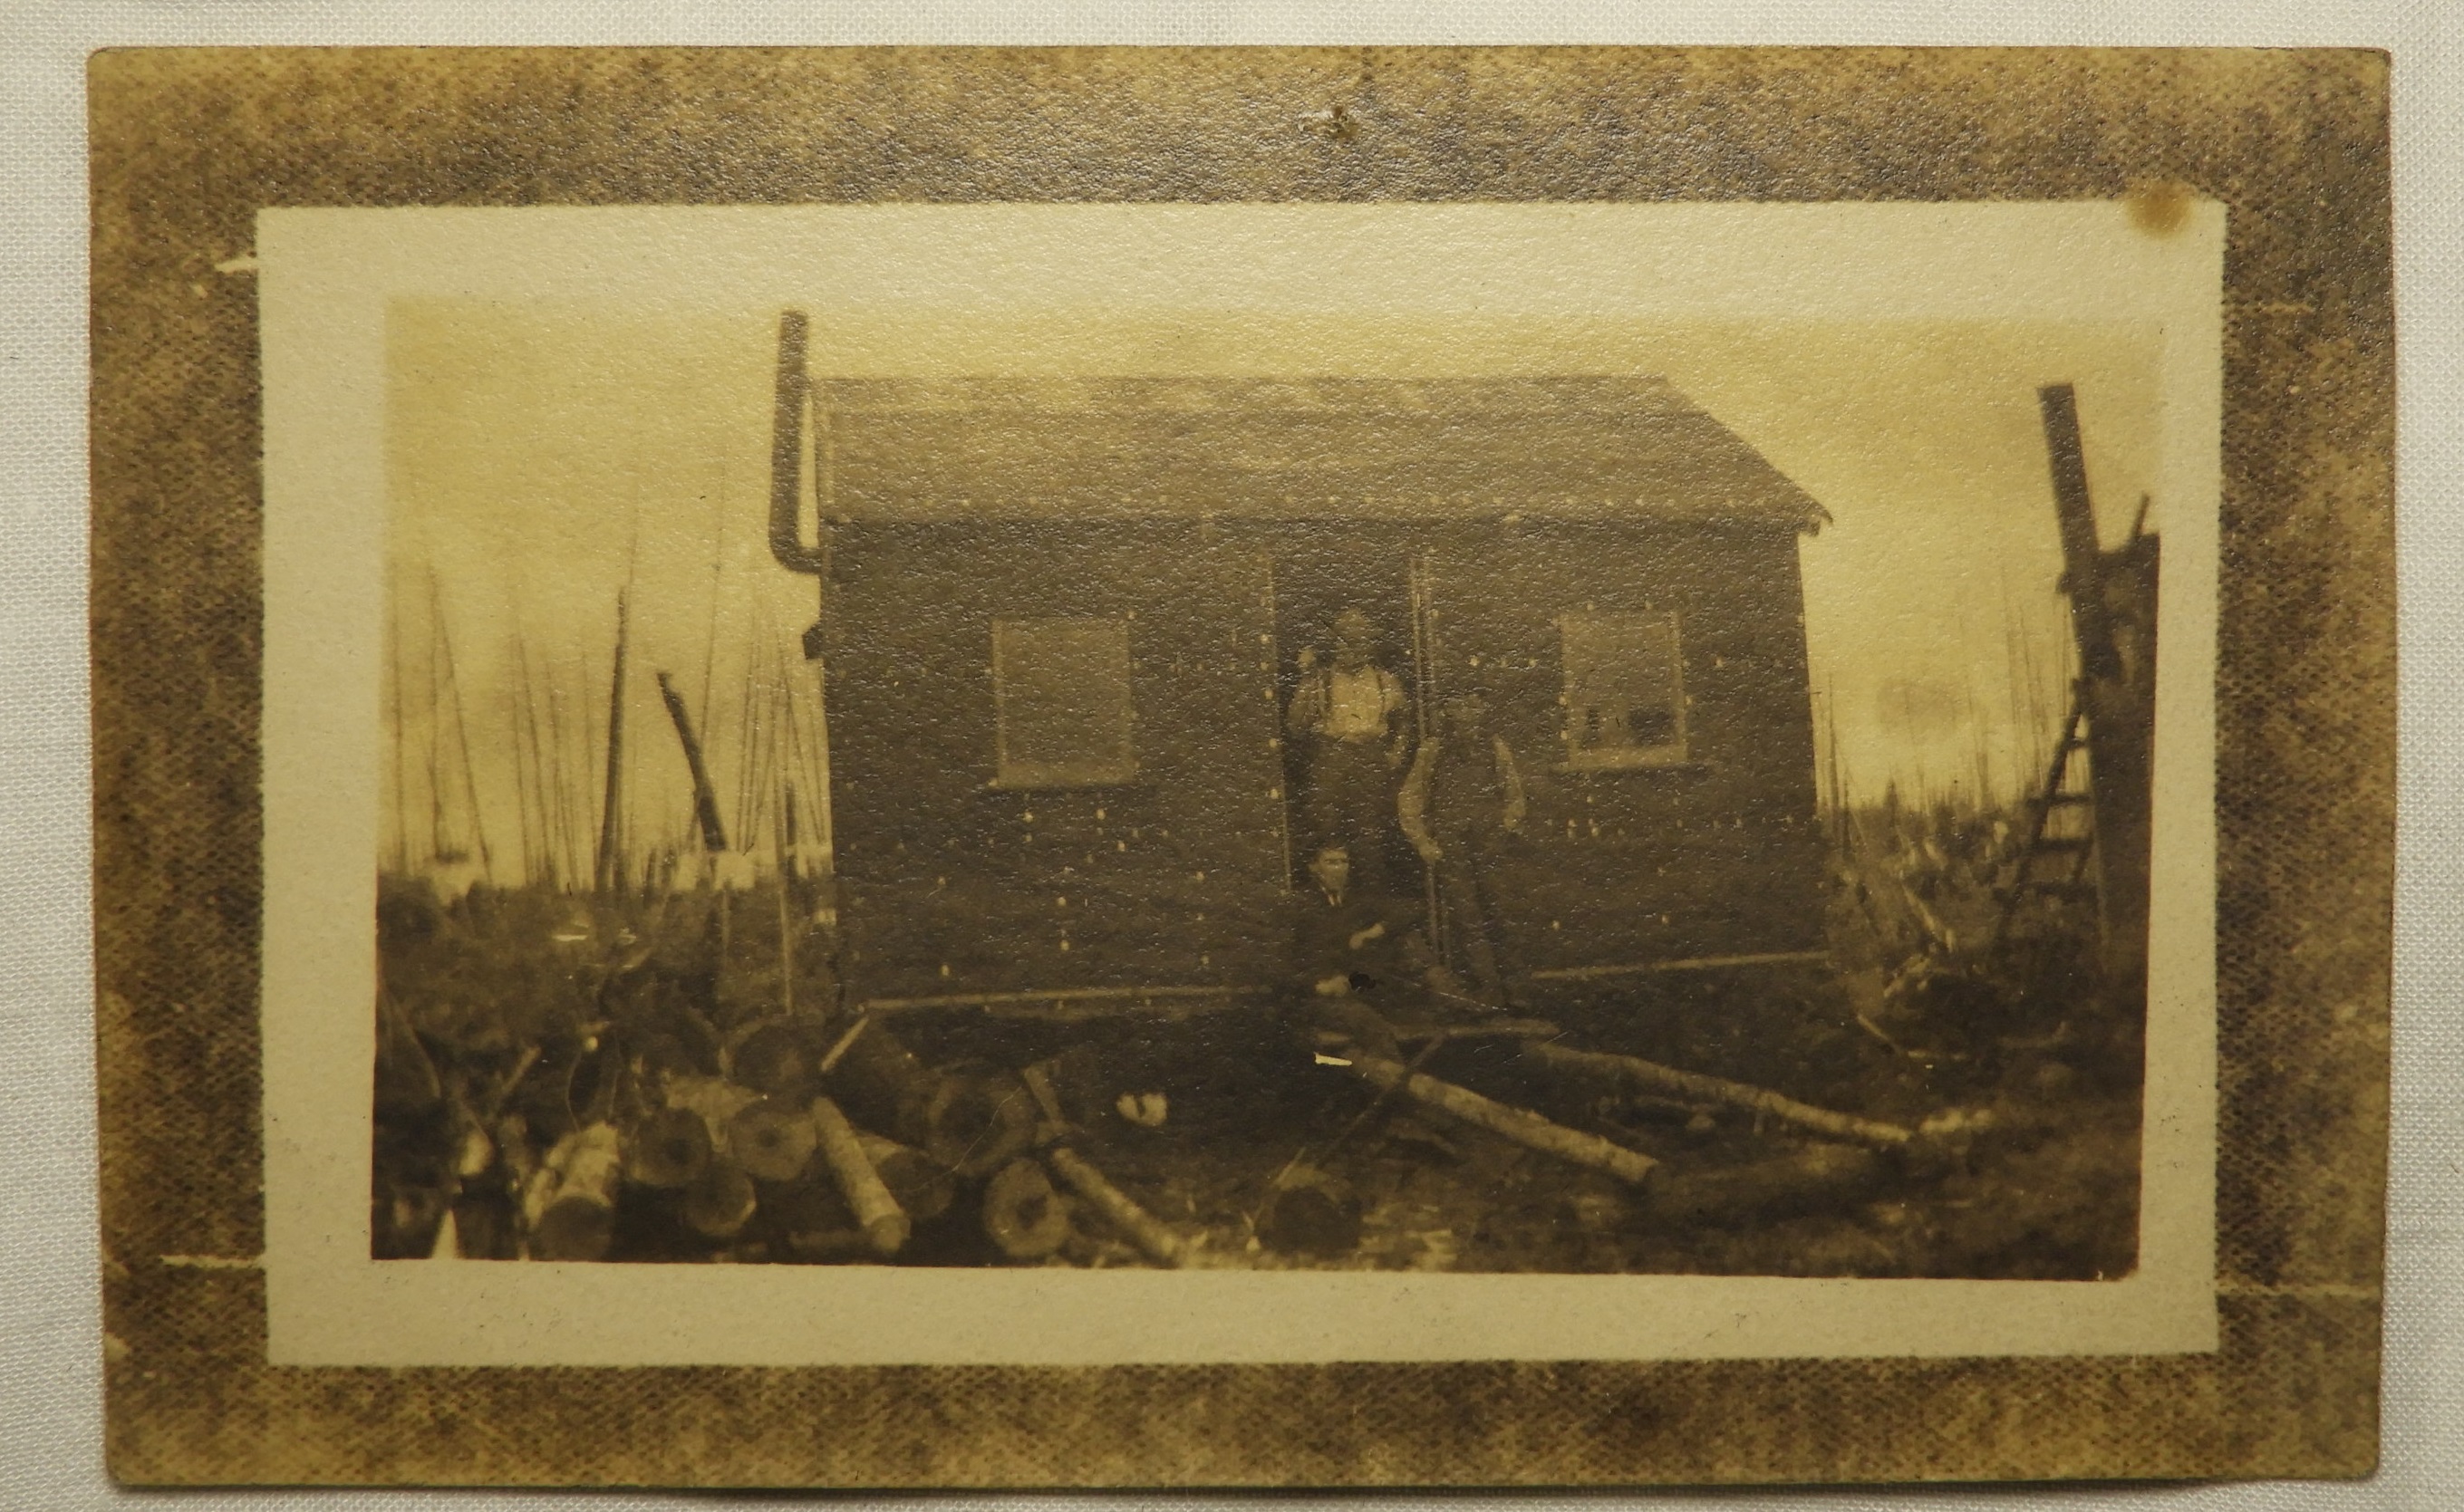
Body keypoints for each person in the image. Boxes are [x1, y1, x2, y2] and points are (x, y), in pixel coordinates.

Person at [1398, 689, 1527, 1007]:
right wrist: (1423, 842)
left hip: (1488, 843)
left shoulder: (1495, 748)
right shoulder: (1433, 751)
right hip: (1451, 845)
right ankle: (1489, 990)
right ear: (1449, 715)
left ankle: (1516, 990)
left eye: (1473, 709)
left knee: (1500, 914)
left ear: (1481, 714)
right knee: (1467, 919)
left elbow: (1514, 794)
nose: (1467, 717)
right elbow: (1411, 797)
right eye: (1458, 709)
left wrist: (1506, 825)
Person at [1286, 606, 1412, 891]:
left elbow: (1405, 718)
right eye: (1342, 640)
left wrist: (1397, 752)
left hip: (1371, 760)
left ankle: (1368, 907)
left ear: (1368, 645)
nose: (1348, 647)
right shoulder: (1320, 679)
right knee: (1325, 828)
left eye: (1356, 640)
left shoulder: (1385, 680)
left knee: (1370, 837)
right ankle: (1327, 908)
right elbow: (1294, 725)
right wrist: (1305, 679)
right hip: (1332, 758)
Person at [1285, 842, 1419, 1064]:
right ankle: (1401, 1089)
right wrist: (1317, 985)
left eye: (1343, 862)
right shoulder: (1298, 905)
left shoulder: (1354, 901)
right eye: (1330, 862)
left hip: (1349, 987)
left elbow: (1412, 908)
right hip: (1314, 996)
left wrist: (1371, 932)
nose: (1339, 868)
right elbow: (1280, 963)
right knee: (1367, 1022)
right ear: (1314, 868)